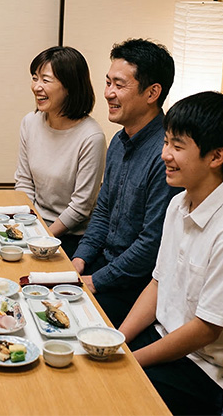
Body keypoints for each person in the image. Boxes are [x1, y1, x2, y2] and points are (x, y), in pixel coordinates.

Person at [119, 92, 223, 415]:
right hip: (167, 339)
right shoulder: (179, 202)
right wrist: (116, 340)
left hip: (210, 372)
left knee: (113, 394)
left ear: (216, 156)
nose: (164, 155)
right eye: (165, 142)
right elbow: (158, 283)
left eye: (177, 146)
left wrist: (131, 361)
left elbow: (206, 330)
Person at [71, 39, 182, 327]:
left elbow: (151, 244)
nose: (108, 93)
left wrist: (95, 280)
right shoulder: (119, 142)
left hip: (135, 286)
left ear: (152, 92)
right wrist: (79, 259)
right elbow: (103, 210)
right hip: (103, 266)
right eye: (108, 83)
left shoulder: (167, 155)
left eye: (119, 85)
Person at [14, 46, 106, 257]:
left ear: (70, 87)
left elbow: (81, 207)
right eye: (35, 78)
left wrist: (42, 237)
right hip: (32, 225)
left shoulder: (91, 137)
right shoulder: (30, 122)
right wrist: (27, 226)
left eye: (46, 80)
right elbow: (24, 182)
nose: (37, 87)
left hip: (70, 236)